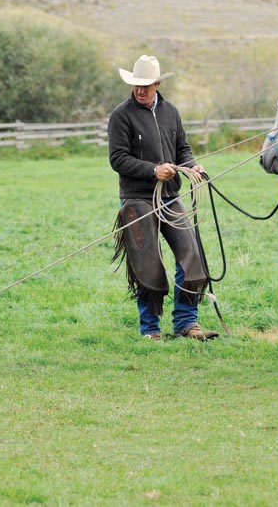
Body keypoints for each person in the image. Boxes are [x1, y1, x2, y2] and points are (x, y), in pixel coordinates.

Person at [108, 54, 218, 341]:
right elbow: (118, 158)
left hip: (170, 197)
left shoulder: (171, 112)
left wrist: (192, 165)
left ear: (157, 83)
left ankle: (185, 323)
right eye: (136, 85)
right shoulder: (121, 116)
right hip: (137, 199)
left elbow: (182, 148)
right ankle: (151, 329)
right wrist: (153, 170)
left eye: (146, 85)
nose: (140, 90)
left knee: (191, 256)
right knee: (147, 265)